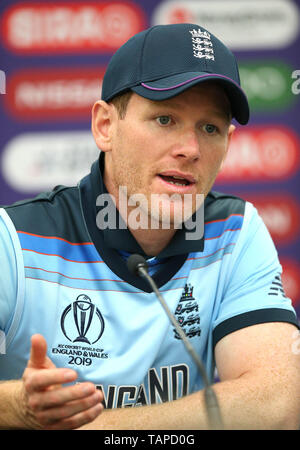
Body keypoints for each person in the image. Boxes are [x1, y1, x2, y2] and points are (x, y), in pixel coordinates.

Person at [0, 23, 299, 430]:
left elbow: (278, 404)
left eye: (210, 128)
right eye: (164, 119)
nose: (190, 149)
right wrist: (17, 405)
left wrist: (97, 430)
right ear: (105, 126)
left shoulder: (234, 232)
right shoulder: (14, 240)